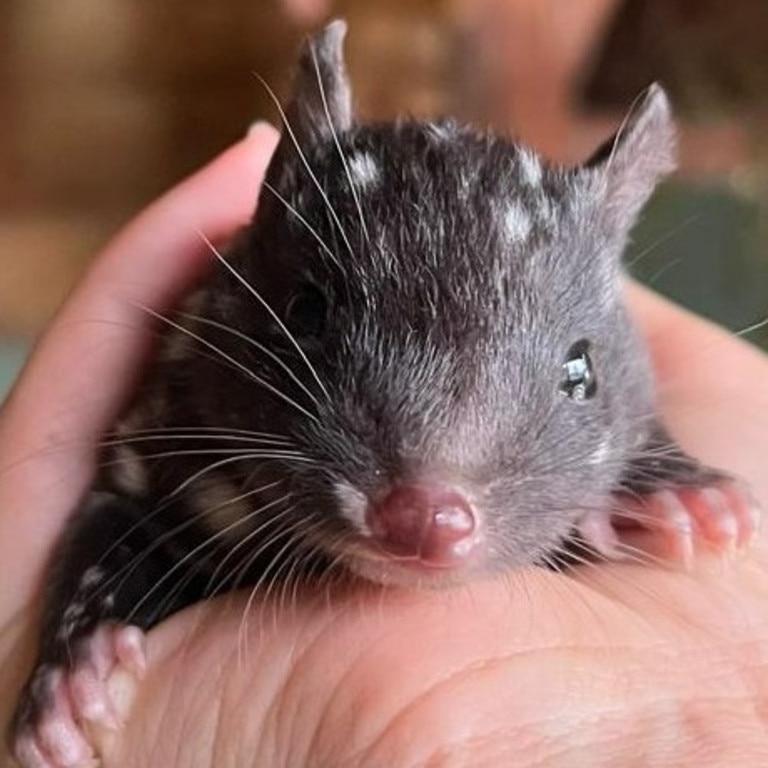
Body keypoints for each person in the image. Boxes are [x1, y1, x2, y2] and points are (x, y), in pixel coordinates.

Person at [1, 124, 767, 767]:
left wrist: (663, 475)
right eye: (312, 316)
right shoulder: (197, 405)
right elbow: (129, 516)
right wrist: (78, 644)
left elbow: (620, 406)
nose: (433, 515)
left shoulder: (619, 404)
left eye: (571, 372)